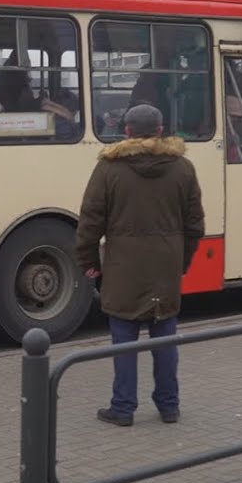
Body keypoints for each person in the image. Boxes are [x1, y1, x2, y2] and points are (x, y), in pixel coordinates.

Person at [75, 103, 205, 427]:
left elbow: (90, 222)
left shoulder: (108, 169)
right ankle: (169, 406)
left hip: (122, 269)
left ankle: (123, 408)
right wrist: (182, 262)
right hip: (166, 267)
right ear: (161, 131)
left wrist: (89, 262)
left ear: (127, 131)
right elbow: (195, 225)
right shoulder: (183, 168)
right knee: (165, 339)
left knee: (124, 340)